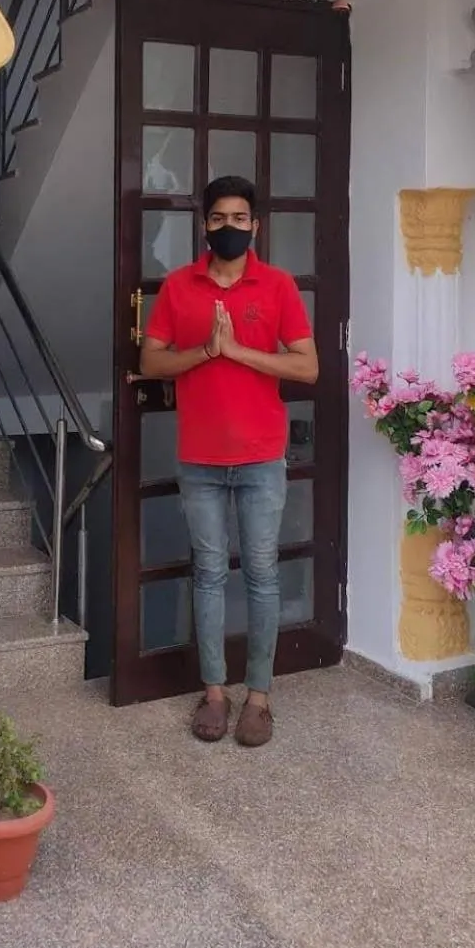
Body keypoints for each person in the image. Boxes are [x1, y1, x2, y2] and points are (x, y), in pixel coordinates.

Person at [139, 175, 318, 747]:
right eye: (219, 218)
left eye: (240, 218)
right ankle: (215, 692)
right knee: (210, 574)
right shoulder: (178, 286)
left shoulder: (279, 286)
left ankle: (259, 697)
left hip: (262, 456)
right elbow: (152, 360)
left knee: (262, 575)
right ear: (205, 224)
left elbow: (307, 368)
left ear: (255, 225)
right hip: (200, 458)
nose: (229, 228)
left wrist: (237, 349)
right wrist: (203, 352)